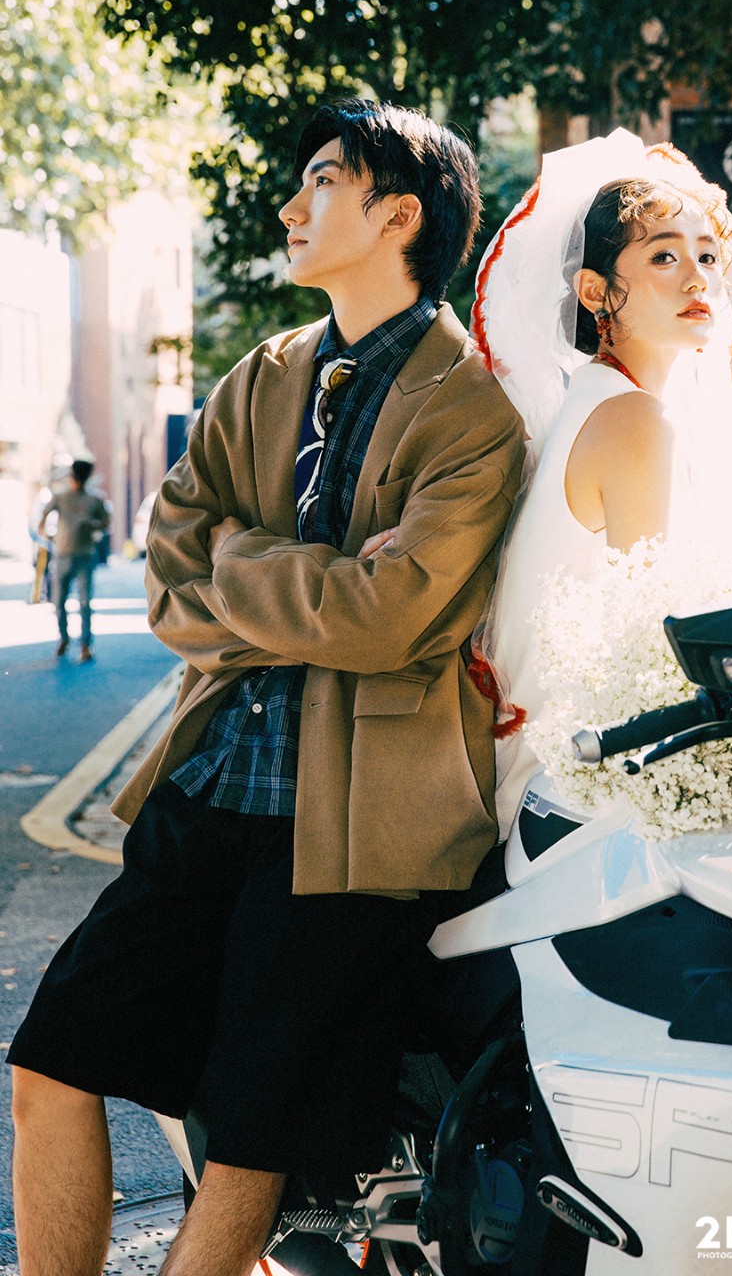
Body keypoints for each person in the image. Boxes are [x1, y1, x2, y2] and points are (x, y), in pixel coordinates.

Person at [8, 98, 525, 1276]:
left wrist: (240, 564)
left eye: (322, 181)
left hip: (356, 828)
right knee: (51, 1064)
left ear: (398, 214)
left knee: (252, 1138)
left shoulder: (469, 411)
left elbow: (392, 615)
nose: (291, 207)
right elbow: (170, 577)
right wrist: (304, 583)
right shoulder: (262, 377)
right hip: (210, 783)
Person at [469, 128, 732, 827]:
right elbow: (659, 633)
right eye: (663, 256)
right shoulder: (634, 419)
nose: (697, 279)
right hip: (582, 790)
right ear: (596, 291)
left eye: (707, 255)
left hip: (567, 757)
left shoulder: (597, 397)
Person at [40, 458, 110, 662]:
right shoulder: (61, 497)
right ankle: (64, 638)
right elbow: (43, 517)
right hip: (62, 554)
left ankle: (85, 645)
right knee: (59, 600)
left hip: (85, 555)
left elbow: (106, 523)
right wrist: (47, 535)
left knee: (85, 601)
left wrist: (91, 525)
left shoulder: (95, 500)